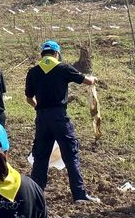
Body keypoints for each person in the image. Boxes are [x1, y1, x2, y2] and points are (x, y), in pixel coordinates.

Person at [24, 40, 100, 203]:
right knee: (70, 154)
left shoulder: (33, 72)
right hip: (59, 117)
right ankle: (79, 195)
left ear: (42, 54)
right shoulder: (63, 68)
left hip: (42, 118)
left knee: (41, 157)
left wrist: (39, 108)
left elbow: (29, 98)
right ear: (57, 53)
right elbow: (86, 80)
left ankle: (36, 194)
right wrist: (93, 79)